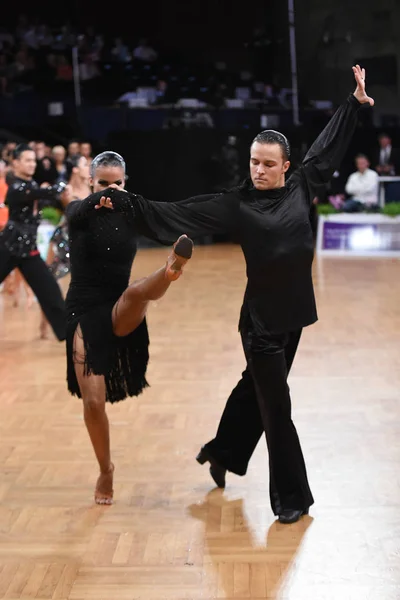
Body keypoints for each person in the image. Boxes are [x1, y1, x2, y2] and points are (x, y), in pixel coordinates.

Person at [104, 65, 373, 524]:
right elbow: (175, 213)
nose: (260, 169)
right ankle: (293, 499)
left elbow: (329, 144)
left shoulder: (304, 183)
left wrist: (353, 103)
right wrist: (125, 202)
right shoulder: (237, 202)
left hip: (294, 318)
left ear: (286, 166)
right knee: (278, 408)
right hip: (262, 324)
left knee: (255, 391)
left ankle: (221, 451)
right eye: (254, 161)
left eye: (269, 163)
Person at [64, 151, 193, 505]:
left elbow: (167, 218)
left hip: (119, 305)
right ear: (92, 182)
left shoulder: (133, 212)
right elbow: (74, 210)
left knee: (137, 293)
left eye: (116, 183)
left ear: (125, 182)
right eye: (103, 183)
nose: (110, 190)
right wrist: (94, 201)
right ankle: (106, 469)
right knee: (93, 402)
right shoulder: (80, 211)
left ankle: (171, 269)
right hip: (84, 311)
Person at [0, 144, 67, 340]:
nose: (32, 164)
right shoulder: (15, 188)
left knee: (50, 292)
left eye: (33, 160)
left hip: (28, 251)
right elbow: (41, 193)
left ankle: (67, 335)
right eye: (27, 160)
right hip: (8, 247)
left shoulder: (30, 185)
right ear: (15, 163)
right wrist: (59, 186)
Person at [39, 154, 92, 339]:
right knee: (51, 281)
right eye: (85, 164)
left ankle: (83, 325)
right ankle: (46, 324)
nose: (89, 167)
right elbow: (74, 214)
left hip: (86, 241)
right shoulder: (67, 191)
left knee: (87, 284)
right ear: (76, 169)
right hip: (67, 241)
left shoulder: (92, 187)